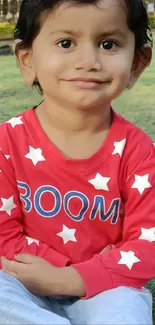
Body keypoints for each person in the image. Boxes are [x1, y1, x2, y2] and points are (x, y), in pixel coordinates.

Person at [0, 0, 154, 323]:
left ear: (138, 63)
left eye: (108, 44)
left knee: (127, 310)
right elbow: (3, 235)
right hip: (20, 282)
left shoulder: (138, 151)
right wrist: (58, 271)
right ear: (27, 61)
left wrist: (75, 279)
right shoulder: (7, 143)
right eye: (66, 43)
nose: (88, 61)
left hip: (104, 288)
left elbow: (147, 244)